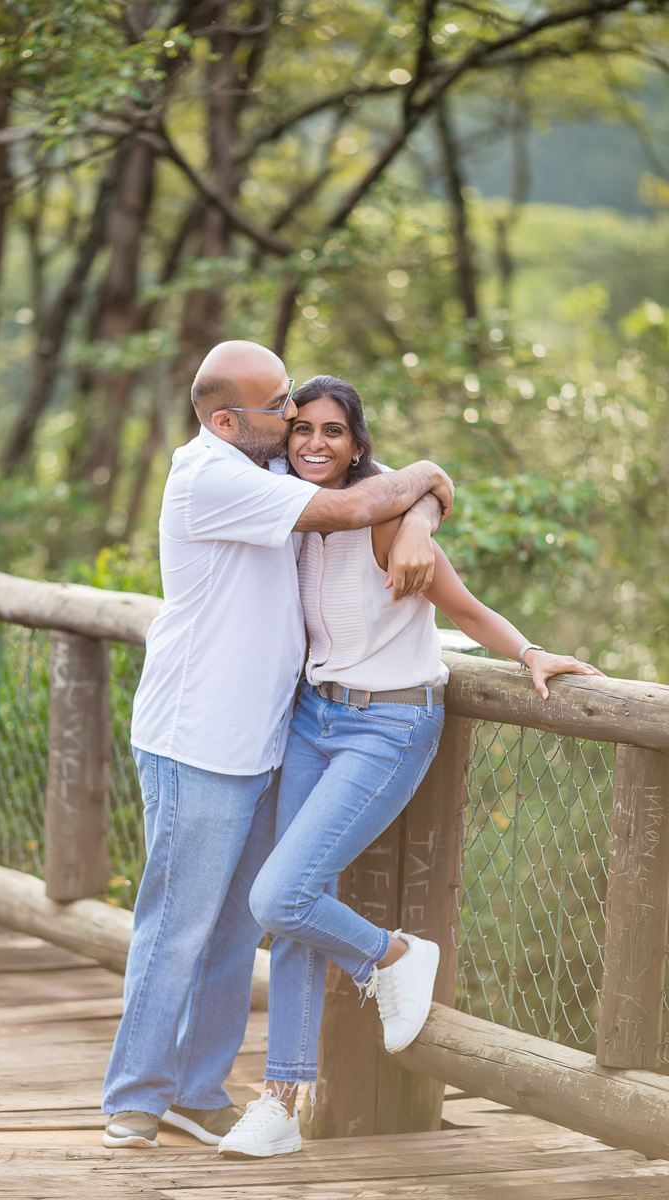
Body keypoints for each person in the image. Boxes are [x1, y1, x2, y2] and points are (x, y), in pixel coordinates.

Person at [216, 375, 603, 1158]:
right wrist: (428, 494)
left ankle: (393, 955)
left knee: (280, 895)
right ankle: (283, 1102)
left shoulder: (388, 522)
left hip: (389, 725)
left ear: (359, 445)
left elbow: (463, 607)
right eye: (301, 431)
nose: (314, 444)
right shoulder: (286, 509)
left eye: (333, 432)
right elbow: (428, 482)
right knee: (292, 904)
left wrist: (528, 651)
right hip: (311, 718)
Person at [100, 343, 455, 1149]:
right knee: (178, 922)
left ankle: (196, 1089)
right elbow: (355, 508)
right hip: (200, 740)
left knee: (235, 926)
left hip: (265, 739)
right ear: (226, 420)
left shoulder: (268, 476)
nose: (295, 416)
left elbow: (368, 486)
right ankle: (136, 1095)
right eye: (280, 406)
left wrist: (423, 513)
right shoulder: (210, 476)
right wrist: (430, 472)